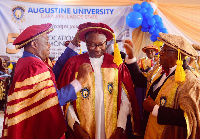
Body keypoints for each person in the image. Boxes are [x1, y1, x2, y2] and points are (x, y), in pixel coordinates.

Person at [2, 23, 92, 139]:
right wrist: (79, 80)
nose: (49, 45)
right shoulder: (33, 67)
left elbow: (56, 71)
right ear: (34, 44)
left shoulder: (30, 61)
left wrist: (74, 43)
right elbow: (53, 99)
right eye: (46, 42)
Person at [56, 22, 140, 139]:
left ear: (106, 43)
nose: (97, 49)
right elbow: (67, 102)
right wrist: (75, 127)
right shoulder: (74, 64)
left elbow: (125, 99)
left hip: (112, 130)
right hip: (81, 129)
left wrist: (120, 128)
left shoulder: (116, 64)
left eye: (101, 44)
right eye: (92, 45)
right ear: (85, 43)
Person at [123, 33, 200, 138]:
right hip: (148, 129)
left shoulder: (190, 80)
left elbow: (189, 117)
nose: (159, 54)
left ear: (178, 55)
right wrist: (131, 57)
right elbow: (140, 81)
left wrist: (155, 109)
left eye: (164, 51)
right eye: (161, 50)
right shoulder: (159, 70)